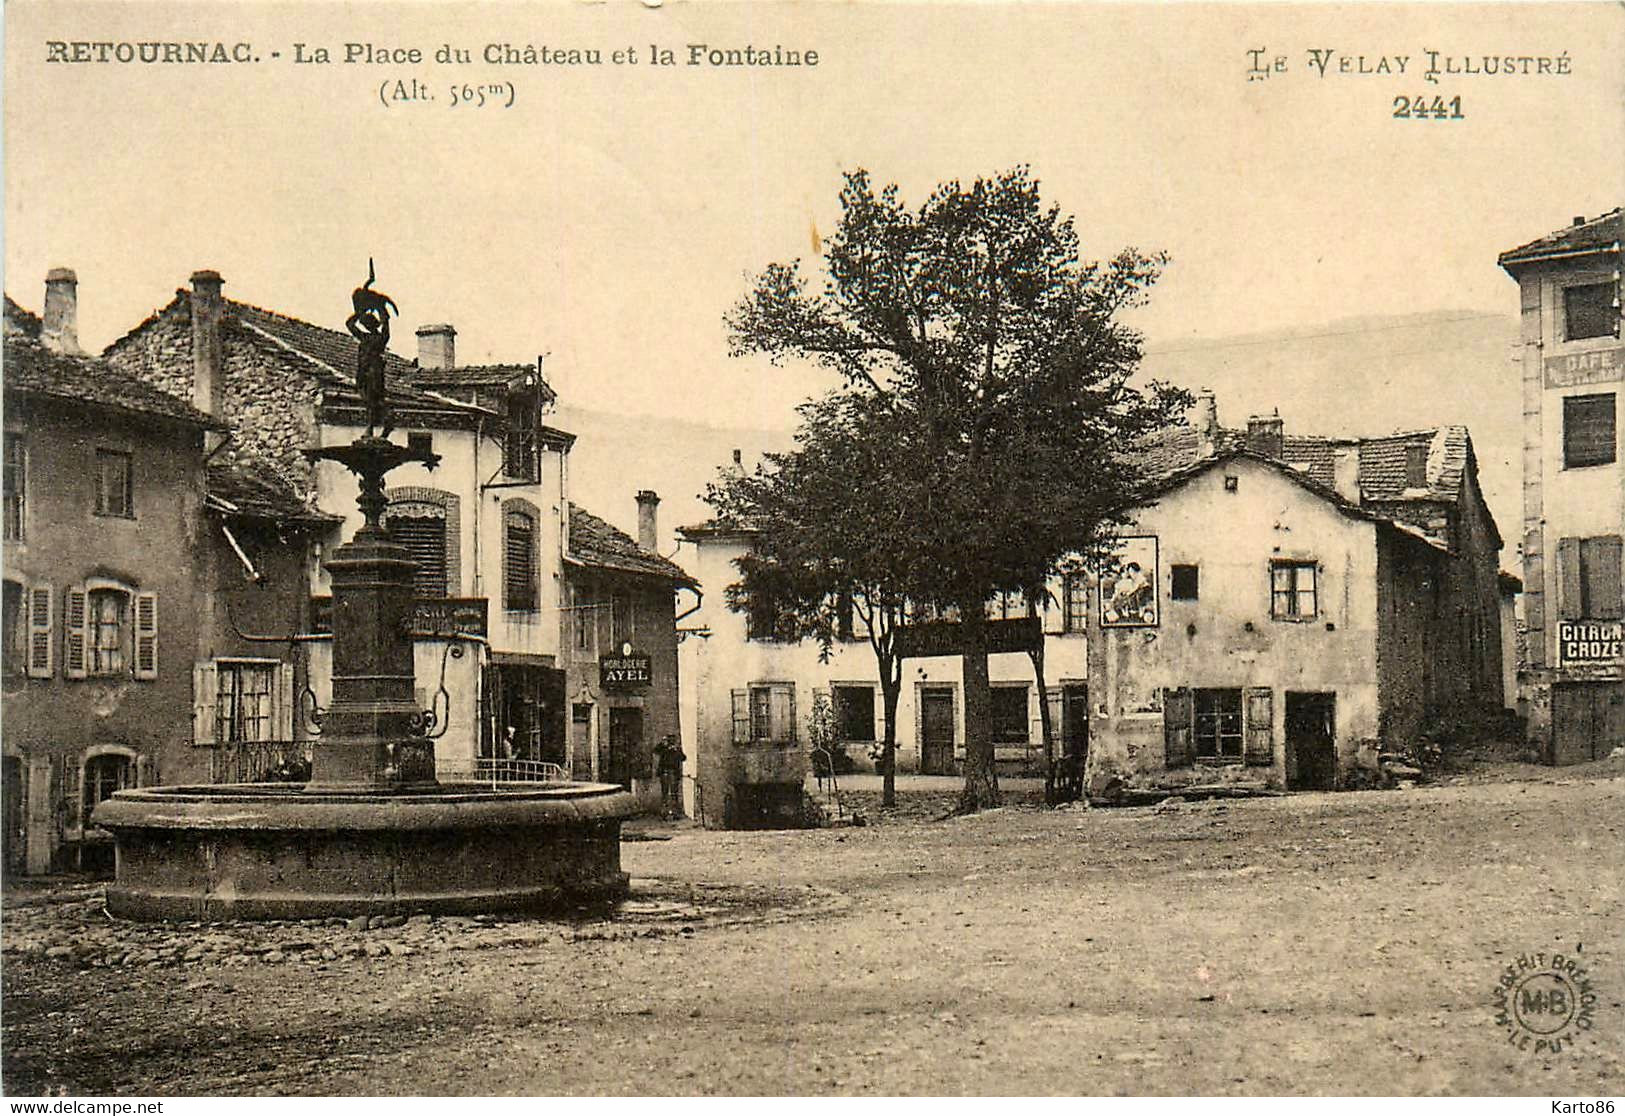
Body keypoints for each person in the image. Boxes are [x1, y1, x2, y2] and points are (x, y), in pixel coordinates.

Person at [655, 735, 686, 818]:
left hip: (673, 772)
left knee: (674, 793)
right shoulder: (663, 749)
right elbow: (656, 750)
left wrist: (676, 750)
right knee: (665, 792)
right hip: (665, 772)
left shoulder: (676, 749)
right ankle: (664, 812)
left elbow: (683, 758)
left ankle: (674, 812)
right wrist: (662, 744)